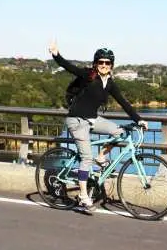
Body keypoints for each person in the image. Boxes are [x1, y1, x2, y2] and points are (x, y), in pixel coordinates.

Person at [48, 41, 148, 211]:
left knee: (120, 132)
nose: (104, 65)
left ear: (111, 65)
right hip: (77, 120)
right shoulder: (89, 75)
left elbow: (123, 102)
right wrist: (56, 54)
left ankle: (101, 156)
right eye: (101, 62)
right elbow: (69, 67)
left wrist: (139, 120)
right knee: (86, 158)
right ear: (96, 63)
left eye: (107, 63)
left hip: (93, 119)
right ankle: (83, 195)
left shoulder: (109, 82)